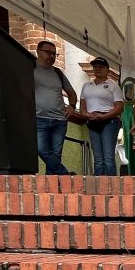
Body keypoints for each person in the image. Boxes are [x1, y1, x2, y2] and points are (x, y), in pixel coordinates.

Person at [33, 40, 77, 175]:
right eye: (48, 52)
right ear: (38, 51)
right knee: (41, 149)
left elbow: (71, 92)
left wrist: (72, 106)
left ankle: (52, 183)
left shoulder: (57, 72)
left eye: (54, 54)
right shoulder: (29, 68)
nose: (52, 56)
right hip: (39, 118)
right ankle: (64, 174)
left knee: (56, 153)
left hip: (60, 120)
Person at [79, 56, 124, 176]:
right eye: (95, 67)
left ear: (107, 70)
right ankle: (98, 183)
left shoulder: (113, 85)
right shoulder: (86, 85)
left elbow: (119, 107)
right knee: (98, 158)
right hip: (93, 119)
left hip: (109, 120)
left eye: (101, 67)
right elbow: (82, 107)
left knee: (108, 157)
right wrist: (87, 115)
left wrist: (104, 116)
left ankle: (111, 183)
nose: (98, 69)